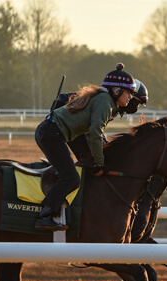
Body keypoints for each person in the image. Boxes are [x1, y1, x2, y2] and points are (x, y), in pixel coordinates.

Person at [34, 63, 138, 231]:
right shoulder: (105, 102)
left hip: (51, 132)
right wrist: (100, 162)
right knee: (71, 178)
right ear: (117, 90)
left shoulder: (105, 101)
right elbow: (95, 133)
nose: (130, 97)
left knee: (71, 176)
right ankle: (45, 215)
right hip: (51, 134)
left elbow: (93, 135)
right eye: (128, 92)